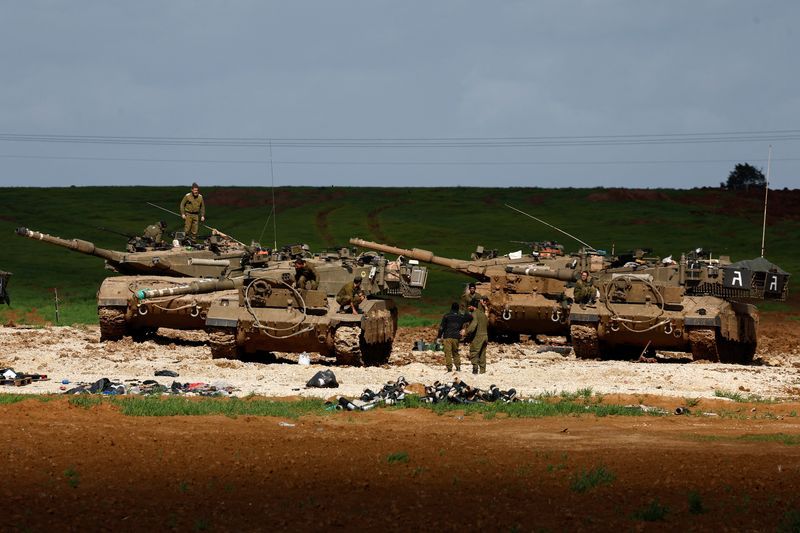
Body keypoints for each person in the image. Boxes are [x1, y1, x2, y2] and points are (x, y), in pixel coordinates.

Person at [461, 296, 489, 374]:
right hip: (485, 336)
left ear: (473, 306)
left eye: (469, 306)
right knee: (482, 354)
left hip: (478, 336)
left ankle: (475, 370)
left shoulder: (474, 314)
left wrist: (465, 332)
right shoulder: (483, 314)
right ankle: (482, 370)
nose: (469, 308)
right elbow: (487, 323)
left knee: (474, 352)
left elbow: (473, 326)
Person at [437, 302, 466, 372]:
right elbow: (462, 327)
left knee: (448, 353)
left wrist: (439, 336)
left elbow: (441, 327)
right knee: (455, 352)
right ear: (458, 308)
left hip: (448, 336)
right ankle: (458, 367)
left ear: (451, 308)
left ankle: (449, 368)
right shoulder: (461, 316)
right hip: (456, 337)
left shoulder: (446, 316)